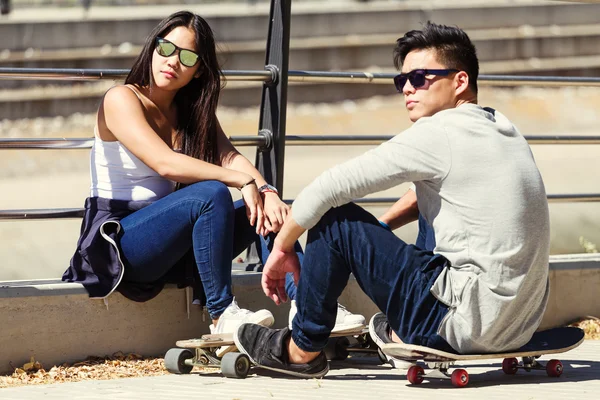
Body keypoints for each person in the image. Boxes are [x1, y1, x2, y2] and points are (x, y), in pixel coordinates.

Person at [232, 21, 550, 378]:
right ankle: (399, 332)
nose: (407, 90)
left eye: (420, 78)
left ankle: (300, 349)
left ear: (460, 81)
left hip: (461, 322)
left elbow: (327, 188)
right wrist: (371, 242)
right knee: (420, 206)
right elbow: (422, 196)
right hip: (519, 324)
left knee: (333, 218)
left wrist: (281, 248)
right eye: (402, 81)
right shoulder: (503, 129)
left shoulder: (438, 132)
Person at [61, 11, 364, 341]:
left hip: (169, 244)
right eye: (166, 49)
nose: (172, 61)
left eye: (186, 56)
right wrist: (240, 182)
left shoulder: (190, 112)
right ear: (152, 48)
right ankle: (221, 315)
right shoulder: (121, 98)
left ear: (198, 70)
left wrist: (266, 190)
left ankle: (309, 305)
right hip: (121, 244)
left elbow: (230, 157)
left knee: (265, 208)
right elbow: (164, 163)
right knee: (211, 193)